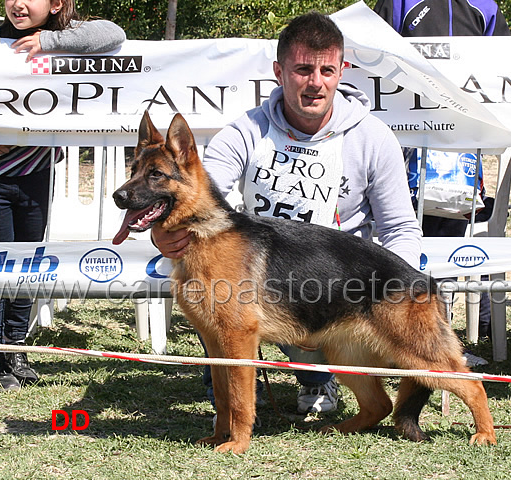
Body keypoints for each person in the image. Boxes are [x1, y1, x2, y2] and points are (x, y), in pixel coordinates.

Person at [152, 11, 422, 414]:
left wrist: (405, 299)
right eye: (302, 70)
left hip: (335, 290)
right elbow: (199, 198)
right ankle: (238, 391)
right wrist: (162, 235)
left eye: (327, 70)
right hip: (261, 278)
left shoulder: (373, 137)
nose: (316, 82)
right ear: (279, 72)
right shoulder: (245, 131)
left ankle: (319, 378)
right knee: (216, 299)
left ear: (342, 71)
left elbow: (400, 226)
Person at [0, 0, 126, 391]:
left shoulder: (66, 38)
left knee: (27, 265)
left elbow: (114, 34)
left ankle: (16, 347)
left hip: (36, 176)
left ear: (57, 4)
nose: (16, 4)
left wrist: (47, 41)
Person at [374, 0, 511, 347]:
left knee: (451, 236)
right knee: (405, 241)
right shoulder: (398, 2)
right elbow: (370, 54)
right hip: (405, 144)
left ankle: (444, 337)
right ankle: (402, 336)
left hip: (462, 150)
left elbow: (508, 63)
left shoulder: (485, 5)